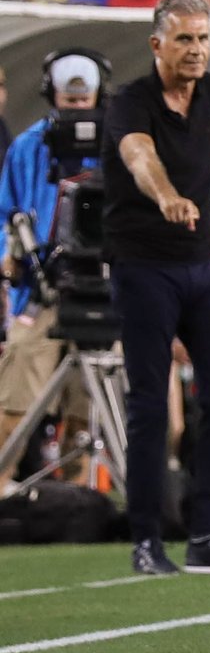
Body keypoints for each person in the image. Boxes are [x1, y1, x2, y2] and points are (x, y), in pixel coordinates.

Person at [101, 0, 210, 575]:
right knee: (150, 406)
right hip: (143, 268)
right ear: (157, 45)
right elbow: (139, 156)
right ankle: (147, 541)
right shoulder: (130, 102)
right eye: (184, 40)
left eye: (202, 39)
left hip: (204, 269)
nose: (195, 50)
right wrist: (168, 196)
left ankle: (209, 537)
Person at [0, 50, 106, 496]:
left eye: (84, 101)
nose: (76, 109)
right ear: (52, 95)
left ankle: (76, 497)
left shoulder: (119, 144)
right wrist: (8, 255)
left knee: (88, 403)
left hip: (101, 289)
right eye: (69, 100)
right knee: (16, 398)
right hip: (39, 289)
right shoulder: (27, 146)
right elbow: (6, 213)